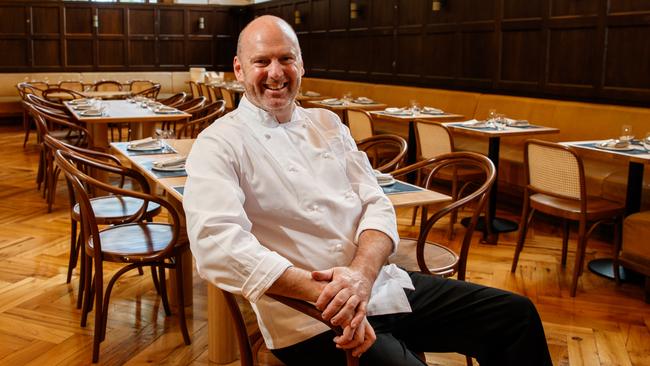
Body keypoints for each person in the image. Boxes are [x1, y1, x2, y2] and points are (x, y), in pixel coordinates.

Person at [183, 15, 552, 366]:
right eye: (261, 61)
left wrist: (360, 276)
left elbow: (376, 202)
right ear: (239, 69)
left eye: (286, 59)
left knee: (515, 317)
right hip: (310, 319)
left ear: (301, 65)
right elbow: (218, 244)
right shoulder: (219, 142)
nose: (276, 72)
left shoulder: (328, 124)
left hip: (381, 286)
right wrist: (329, 298)